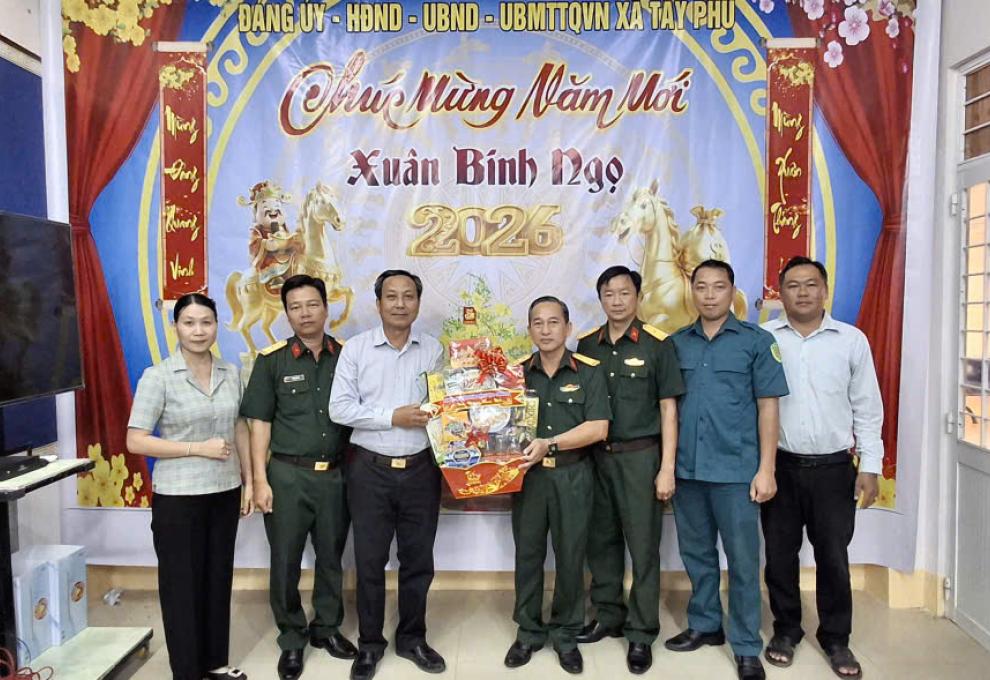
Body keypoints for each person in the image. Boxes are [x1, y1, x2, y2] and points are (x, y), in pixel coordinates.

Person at [664, 260, 789, 680]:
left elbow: (768, 407)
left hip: (736, 471)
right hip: (689, 470)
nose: (710, 295)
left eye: (718, 287)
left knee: (742, 561)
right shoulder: (677, 344)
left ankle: (747, 644)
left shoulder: (756, 341)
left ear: (732, 291)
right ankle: (705, 624)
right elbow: (669, 408)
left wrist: (767, 469)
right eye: (701, 287)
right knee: (697, 554)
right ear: (692, 291)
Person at [760, 256, 883, 680]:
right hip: (780, 466)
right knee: (779, 555)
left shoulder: (851, 341)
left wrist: (870, 465)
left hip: (834, 469)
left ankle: (836, 638)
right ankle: (786, 630)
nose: (803, 292)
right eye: (793, 285)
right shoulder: (764, 339)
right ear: (780, 293)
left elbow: (867, 407)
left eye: (811, 284)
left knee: (833, 555)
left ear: (825, 290)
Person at [126, 293, 253, 680]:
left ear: (216, 325)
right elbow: (136, 441)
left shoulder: (230, 372)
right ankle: (186, 671)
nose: (199, 331)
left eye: (206, 322)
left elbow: (240, 427)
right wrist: (197, 448)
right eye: (189, 323)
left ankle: (215, 663)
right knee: (182, 586)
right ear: (176, 327)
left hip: (225, 490)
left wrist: (249, 481)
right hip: (178, 497)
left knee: (218, 579)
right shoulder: (158, 377)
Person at [328, 270, 446, 680]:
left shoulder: (433, 350)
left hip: (420, 470)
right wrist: (391, 416)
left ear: (418, 303)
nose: (400, 304)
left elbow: (444, 405)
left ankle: (412, 638)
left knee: (418, 560)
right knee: (369, 561)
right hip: (369, 470)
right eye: (391, 296)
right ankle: (370, 644)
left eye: (408, 296)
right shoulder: (356, 350)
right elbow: (339, 409)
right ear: (378, 304)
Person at [239, 274, 356, 680]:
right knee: (285, 560)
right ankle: (291, 638)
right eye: (295, 307)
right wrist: (259, 480)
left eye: (312, 305)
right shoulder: (272, 360)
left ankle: (327, 628)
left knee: (331, 557)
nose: (305, 313)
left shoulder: (348, 357)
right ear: (286, 313)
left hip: (336, 476)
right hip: (287, 476)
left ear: (326, 308)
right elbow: (259, 424)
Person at [574, 266, 684, 674]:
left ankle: (641, 631)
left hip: (641, 457)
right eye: (609, 293)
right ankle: (608, 614)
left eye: (624, 293)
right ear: (600, 298)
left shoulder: (658, 344)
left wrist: (666, 467)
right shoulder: (587, 344)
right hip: (594, 457)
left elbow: (668, 409)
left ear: (638, 297)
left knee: (643, 547)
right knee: (600, 541)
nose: (617, 301)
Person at [503, 296, 611, 675]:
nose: (546, 330)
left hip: (573, 475)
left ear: (568, 328)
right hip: (529, 478)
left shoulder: (588, 371)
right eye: (538, 323)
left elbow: (598, 428)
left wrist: (550, 443)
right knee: (528, 554)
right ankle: (529, 631)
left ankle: (566, 633)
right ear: (529, 329)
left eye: (553, 322)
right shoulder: (515, 375)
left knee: (570, 556)